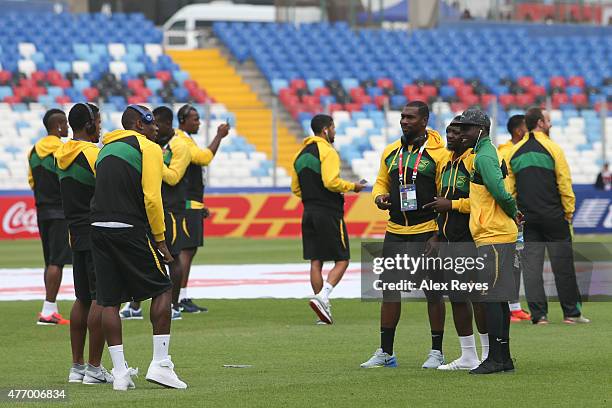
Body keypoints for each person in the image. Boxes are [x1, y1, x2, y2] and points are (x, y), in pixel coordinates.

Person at [90, 105, 186, 391]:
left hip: (97, 227)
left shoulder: (104, 148)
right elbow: (152, 199)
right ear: (138, 124)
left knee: (109, 300)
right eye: (151, 122)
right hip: (129, 226)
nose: (156, 127)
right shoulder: (149, 148)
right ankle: (160, 363)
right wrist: (160, 240)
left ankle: (120, 373)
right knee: (163, 287)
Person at [360, 101, 448, 369]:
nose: (404, 121)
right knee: (390, 291)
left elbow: (445, 195)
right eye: (402, 116)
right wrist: (378, 196)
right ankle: (386, 352)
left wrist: (439, 234)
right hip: (395, 230)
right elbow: (381, 181)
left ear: (424, 121)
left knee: (432, 292)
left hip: (427, 231)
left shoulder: (439, 153)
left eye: (410, 117)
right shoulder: (390, 151)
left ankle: (437, 352)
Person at [506, 107, 589, 325]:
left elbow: (510, 190)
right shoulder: (554, 149)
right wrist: (569, 211)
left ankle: (539, 316)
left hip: (527, 219)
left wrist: (515, 214)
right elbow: (564, 183)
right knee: (563, 266)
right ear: (540, 123)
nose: (550, 124)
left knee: (532, 268)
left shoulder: (514, 152)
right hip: (554, 217)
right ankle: (571, 314)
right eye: (548, 120)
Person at [457, 107, 520, 375]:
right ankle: (503, 359)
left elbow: (499, 191)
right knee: (500, 298)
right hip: (496, 232)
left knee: (492, 297)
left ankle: (496, 359)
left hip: (493, 234)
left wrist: (512, 211)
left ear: (480, 130)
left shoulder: (483, 156)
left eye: (466, 129)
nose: (461, 134)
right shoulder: (484, 153)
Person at [423, 117, 488, 370]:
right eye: (448, 132)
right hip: (449, 240)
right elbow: (441, 204)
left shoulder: (475, 162)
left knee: (476, 297)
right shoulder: (446, 165)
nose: (451, 136)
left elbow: (483, 203)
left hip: (471, 238)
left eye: (457, 132)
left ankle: (488, 353)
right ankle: (468, 355)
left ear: (468, 135)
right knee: (458, 298)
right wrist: (438, 233)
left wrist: (452, 205)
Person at [119, 106, 194, 321]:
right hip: (152, 208)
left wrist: (154, 162)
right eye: (153, 123)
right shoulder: (155, 146)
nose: (156, 128)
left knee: (173, 256)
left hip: (171, 209)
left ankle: (174, 305)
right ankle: (134, 305)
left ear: (169, 124)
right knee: (144, 256)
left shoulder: (180, 146)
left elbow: (173, 177)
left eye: (159, 123)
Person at [55, 103, 113, 384]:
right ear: (89, 123)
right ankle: (94, 367)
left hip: (75, 232)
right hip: (97, 232)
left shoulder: (60, 153)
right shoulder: (94, 154)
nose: (100, 126)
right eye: (98, 121)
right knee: (102, 299)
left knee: (82, 298)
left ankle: (76, 367)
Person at [290, 114, 364, 324]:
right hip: (329, 212)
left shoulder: (300, 154)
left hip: (308, 211)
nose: (334, 132)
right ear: (326, 129)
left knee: (316, 261)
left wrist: (312, 195)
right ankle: (323, 297)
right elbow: (331, 182)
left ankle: (321, 313)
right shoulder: (328, 151)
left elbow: (295, 188)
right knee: (342, 259)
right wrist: (353, 187)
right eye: (333, 128)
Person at [175, 104, 229, 313]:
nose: (198, 122)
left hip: (192, 204)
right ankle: (178, 298)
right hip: (187, 205)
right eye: (194, 119)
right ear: (182, 121)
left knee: (189, 251)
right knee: (185, 252)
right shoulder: (182, 141)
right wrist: (219, 136)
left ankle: (181, 296)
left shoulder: (185, 140)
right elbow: (205, 157)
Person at [28, 109, 72, 325]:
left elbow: (32, 182)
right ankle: (47, 311)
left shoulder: (34, 151)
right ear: (58, 126)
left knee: (50, 261)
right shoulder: (63, 149)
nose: (67, 127)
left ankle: (50, 309)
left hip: (42, 211)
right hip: (61, 211)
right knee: (57, 262)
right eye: (65, 123)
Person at [499, 115, 531, 322]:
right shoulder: (505, 153)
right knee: (505, 261)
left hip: (517, 214)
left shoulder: (522, 151)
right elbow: (504, 187)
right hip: (506, 214)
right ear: (519, 131)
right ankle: (505, 307)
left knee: (516, 260)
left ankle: (515, 307)